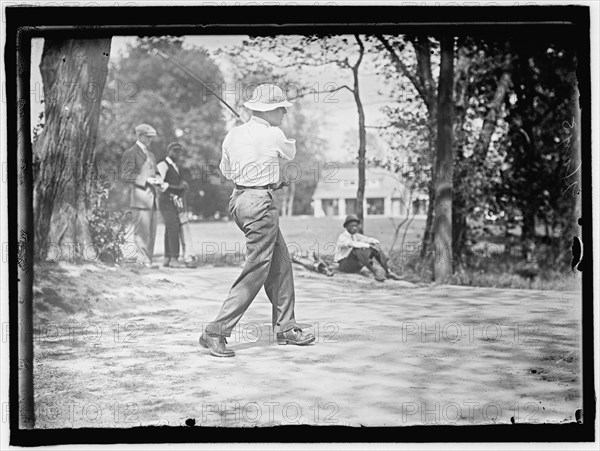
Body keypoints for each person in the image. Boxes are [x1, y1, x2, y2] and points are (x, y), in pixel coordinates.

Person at [200, 84, 315, 357]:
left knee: (281, 263)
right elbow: (290, 154)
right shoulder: (274, 134)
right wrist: (264, 153)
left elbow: (227, 171)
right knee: (256, 270)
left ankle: (286, 327)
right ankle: (216, 331)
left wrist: (247, 140)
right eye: (281, 109)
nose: (285, 113)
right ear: (270, 110)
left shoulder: (234, 134)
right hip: (260, 205)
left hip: (239, 201)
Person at [121, 124, 166, 268]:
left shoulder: (151, 155)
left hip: (152, 199)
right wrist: (145, 179)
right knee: (141, 232)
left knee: (151, 232)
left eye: (151, 137)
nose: (150, 140)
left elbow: (156, 172)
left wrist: (159, 180)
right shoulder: (130, 153)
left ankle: (148, 260)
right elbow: (126, 175)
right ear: (139, 136)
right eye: (148, 137)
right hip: (140, 199)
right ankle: (142, 260)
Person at [157, 142, 197, 268]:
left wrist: (182, 186)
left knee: (169, 229)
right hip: (165, 200)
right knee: (173, 227)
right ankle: (174, 258)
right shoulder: (163, 164)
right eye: (175, 151)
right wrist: (176, 188)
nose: (177, 154)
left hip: (174, 201)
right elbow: (159, 183)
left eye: (179, 152)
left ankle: (167, 258)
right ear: (169, 151)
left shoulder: (175, 166)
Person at [334, 214, 401, 282]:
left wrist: (375, 243)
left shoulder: (355, 236)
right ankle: (376, 272)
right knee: (357, 250)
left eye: (356, 226)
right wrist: (368, 246)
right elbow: (352, 244)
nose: (355, 228)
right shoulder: (342, 237)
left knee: (373, 248)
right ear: (346, 227)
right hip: (344, 265)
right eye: (352, 226)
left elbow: (369, 239)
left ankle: (388, 271)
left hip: (355, 265)